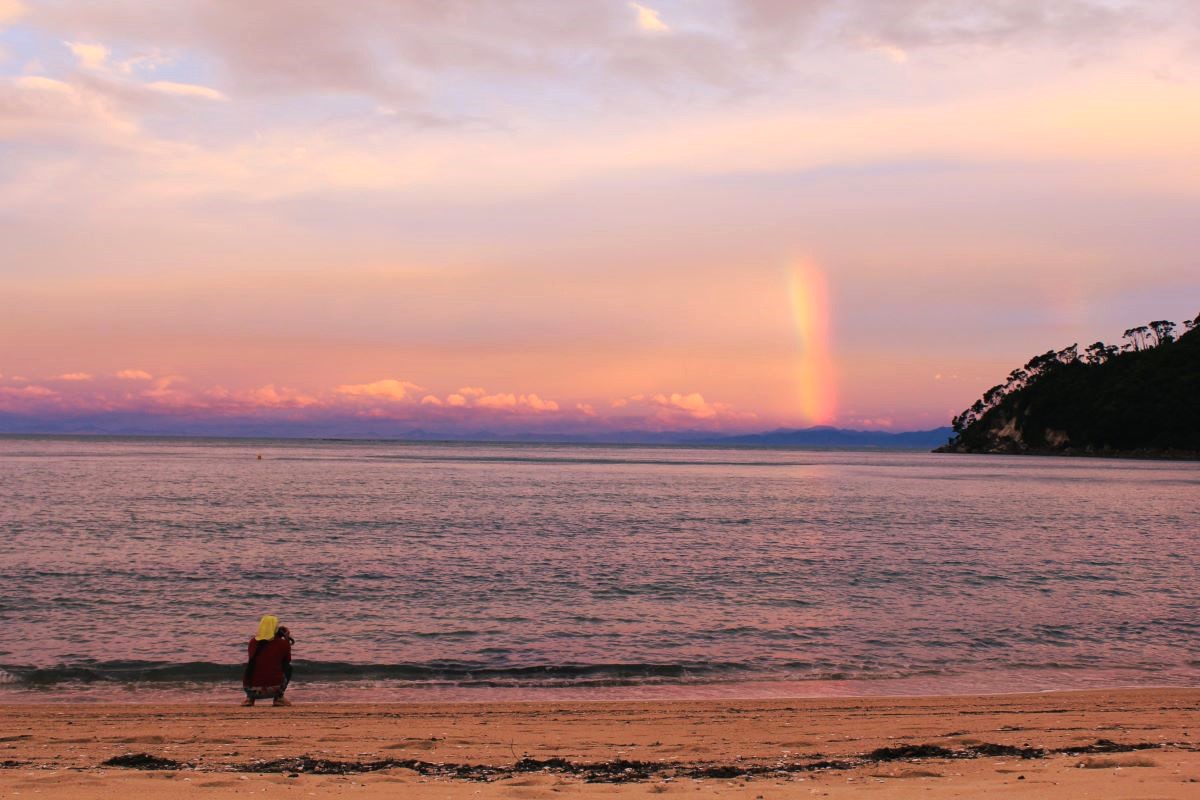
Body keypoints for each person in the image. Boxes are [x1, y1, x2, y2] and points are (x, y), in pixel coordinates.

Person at [241, 615, 293, 706]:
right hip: (274, 690)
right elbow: (287, 660)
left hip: (251, 690)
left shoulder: (252, 642)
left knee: (252, 664)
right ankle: (279, 698)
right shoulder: (282, 644)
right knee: (288, 668)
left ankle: (250, 699)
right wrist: (286, 639)